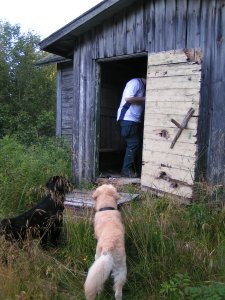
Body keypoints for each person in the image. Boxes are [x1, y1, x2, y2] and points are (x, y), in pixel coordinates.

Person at [117, 76, 146, 178]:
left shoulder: (141, 85)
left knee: (133, 144)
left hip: (132, 120)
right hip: (128, 118)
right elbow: (128, 98)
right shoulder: (135, 82)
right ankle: (126, 170)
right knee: (133, 143)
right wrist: (146, 99)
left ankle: (128, 169)